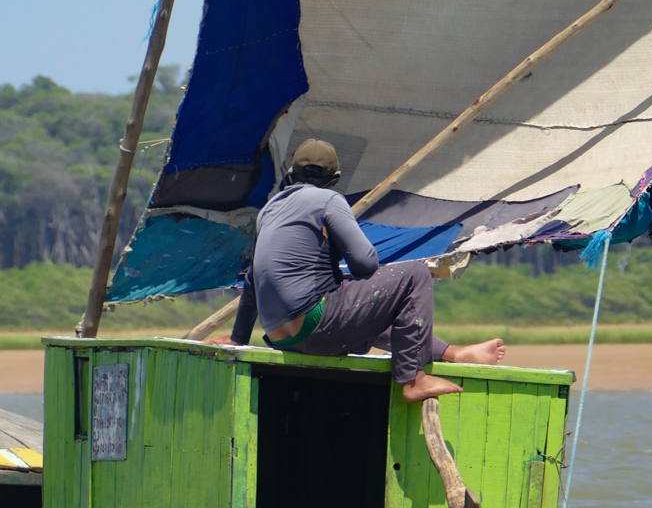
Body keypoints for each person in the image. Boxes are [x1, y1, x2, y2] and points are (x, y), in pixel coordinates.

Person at [206, 139, 505, 400]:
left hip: (281, 335)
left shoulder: (270, 209)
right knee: (414, 274)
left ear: (290, 175)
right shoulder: (329, 199)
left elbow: (253, 278)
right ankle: (414, 379)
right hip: (315, 325)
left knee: (367, 302)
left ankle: (456, 353)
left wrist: (238, 338)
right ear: (335, 179)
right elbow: (366, 262)